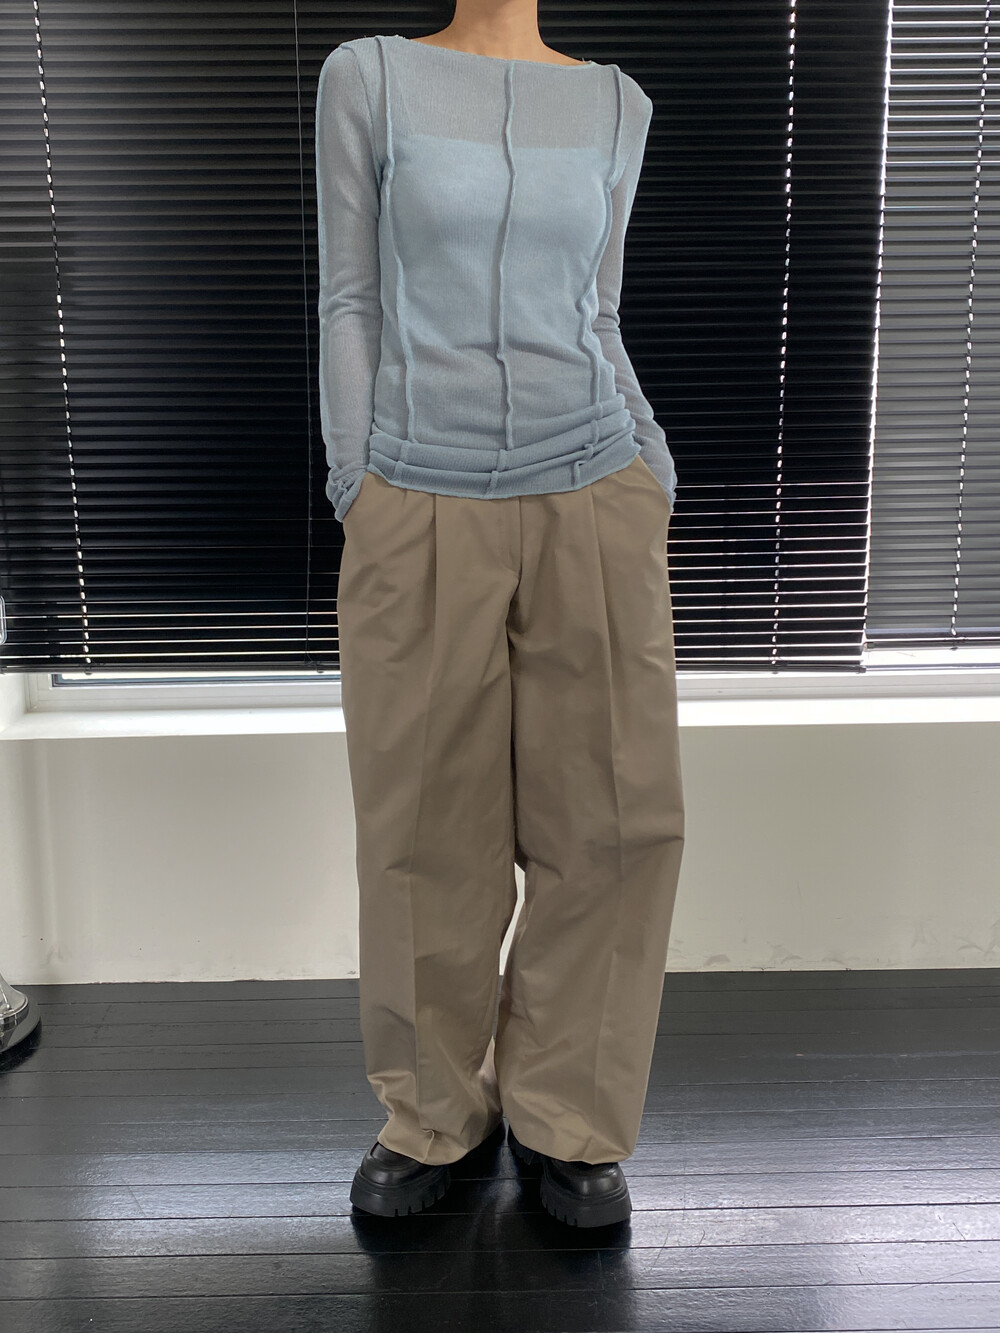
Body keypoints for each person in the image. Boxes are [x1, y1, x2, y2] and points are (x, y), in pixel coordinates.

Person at [315, 3, 684, 1230]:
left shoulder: (617, 104)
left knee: (613, 827)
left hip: (596, 490)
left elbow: (601, 312)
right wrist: (359, 485)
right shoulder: (369, 78)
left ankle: (567, 1116)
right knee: (425, 832)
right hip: (418, 500)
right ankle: (432, 1113)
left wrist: (649, 472)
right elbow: (350, 301)